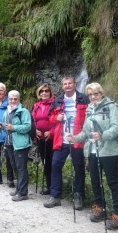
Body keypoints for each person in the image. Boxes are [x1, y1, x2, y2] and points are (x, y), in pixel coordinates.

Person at [67, 82, 118, 230]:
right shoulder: (89, 109)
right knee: (95, 180)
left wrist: (103, 135)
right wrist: (75, 138)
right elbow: (86, 132)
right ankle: (100, 208)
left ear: (101, 93)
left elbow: (117, 128)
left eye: (96, 94)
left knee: (112, 182)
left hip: (108, 150)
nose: (93, 97)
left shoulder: (111, 106)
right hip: (92, 150)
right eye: (90, 94)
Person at [45, 75, 89, 209]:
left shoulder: (84, 99)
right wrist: (56, 118)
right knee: (55, 165)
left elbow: (90, 116)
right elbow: (50, 118)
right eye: (65, 84)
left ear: (75, 84)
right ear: (62, 86)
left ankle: (78, 196)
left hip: (77, 139)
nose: (68, 86)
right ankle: (55, 196)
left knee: (78, 167)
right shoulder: (58, 100)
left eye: (70, 83)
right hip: (61, 139)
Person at [1, 90, 32, 202]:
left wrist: (13, 127)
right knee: (15, 166)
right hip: (9, 143)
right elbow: (6, 127)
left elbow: (27, 127)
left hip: (21, 144)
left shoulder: (23, 111)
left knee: (21, 168)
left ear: (19, 100)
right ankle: (19, 188)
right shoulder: (7, 112)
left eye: (15, 99)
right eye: (11, 99)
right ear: (8, 100)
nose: (13, 101)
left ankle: (23, 193)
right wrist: (2, 126)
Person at [31, 84, 55, 195]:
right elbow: (33, 121)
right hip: (40, 138)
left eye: (46, 91)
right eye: (41, 91)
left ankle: (55, 188)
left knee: (53, 162)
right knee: (45, 162)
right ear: (39, 93)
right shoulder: (36, 106)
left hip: (52, 138)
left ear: (50, 93)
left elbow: (58, 120)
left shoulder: (54, 104)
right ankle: (49, 186)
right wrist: (35, 130)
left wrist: (51, 131)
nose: (44, 93)